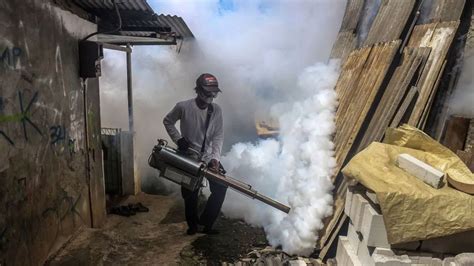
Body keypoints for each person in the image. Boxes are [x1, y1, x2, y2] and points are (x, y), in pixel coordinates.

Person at [163, 73, 227, 235]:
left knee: (220, 186)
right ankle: (192, 225)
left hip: (207, 156)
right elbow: (168, 121)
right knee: (190, 192)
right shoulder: (183, 107)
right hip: (188, 155)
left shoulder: (216, 110)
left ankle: (207, 223)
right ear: (198, 90)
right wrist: (178, 140)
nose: (210, 97)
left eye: (213, 94)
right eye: (207, 93)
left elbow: (218, 135)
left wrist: (215, 159)